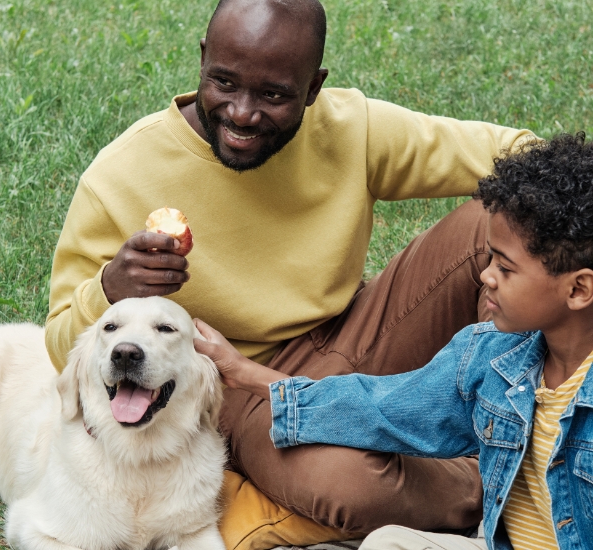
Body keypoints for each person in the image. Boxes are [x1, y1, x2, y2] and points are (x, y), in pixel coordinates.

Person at [45, 0, 535, 547]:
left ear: (313, 87)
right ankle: (513, 481)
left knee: (506, 217)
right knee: (346, 488)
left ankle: (547, 409)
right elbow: (62, 340)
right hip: (236, 381)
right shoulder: (121, 175)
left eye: (273, 94)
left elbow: (519, 155)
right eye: (223, 83)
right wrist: (110, 288)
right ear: (203, 59)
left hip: (360, 329)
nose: (242, 113)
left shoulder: (354, 127)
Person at [194, 133, 593, 550]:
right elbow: (380, 407)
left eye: (506, 269)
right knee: (386, 543)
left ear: (578, 290)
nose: (486, 275)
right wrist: (246, 374)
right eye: (490, 258)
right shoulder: (490, 355)